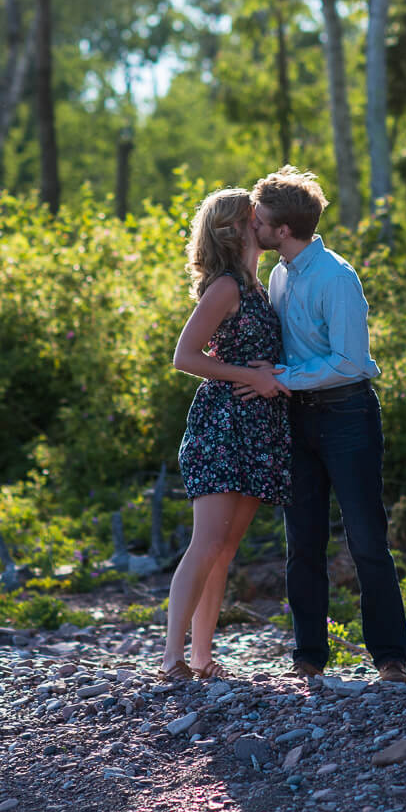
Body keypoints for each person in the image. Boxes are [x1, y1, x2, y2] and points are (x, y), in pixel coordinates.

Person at [242, 166, 406, 683]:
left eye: (260, 220)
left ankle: (390, 661)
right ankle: (308, 659)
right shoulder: (278, 274)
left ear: (283, 230)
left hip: (347, 414)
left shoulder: (337, 277)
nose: (253, 226)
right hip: (298, 418)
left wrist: (282, 377)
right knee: (303, 544)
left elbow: (351, 361)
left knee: (365, 539)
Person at [161, 187, 292, 681]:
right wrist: (251, 377)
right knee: (206, 543)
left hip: (258, 430)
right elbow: (185, 357)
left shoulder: (259, 287)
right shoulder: (226, 288)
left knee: (226, 549)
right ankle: (173, 657)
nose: (261, 220)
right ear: (234, 228)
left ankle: (201, 658)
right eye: (252, 215)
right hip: (222, 425)